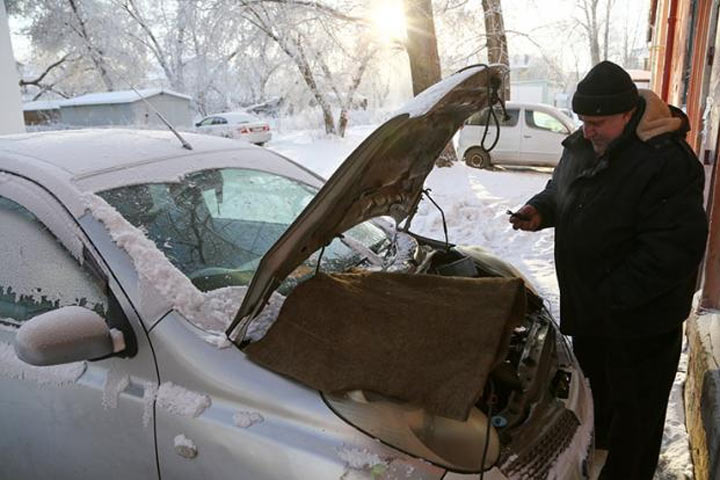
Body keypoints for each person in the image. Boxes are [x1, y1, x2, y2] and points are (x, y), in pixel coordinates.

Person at [509, 61, 708, 479]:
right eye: (583, 120)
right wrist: (541, 210)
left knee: (635, 423)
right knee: (595, 408)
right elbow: (562, 187)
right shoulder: (585, 144)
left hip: (641, 327)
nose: (587, 130)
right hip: (595, 317)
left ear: (627, 113)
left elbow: (672, 250)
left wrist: (610, 295)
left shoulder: (666, 161)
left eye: (597, 122)